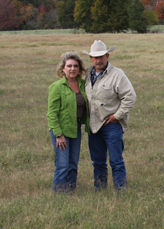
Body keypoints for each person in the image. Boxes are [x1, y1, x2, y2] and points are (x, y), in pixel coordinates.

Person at [82, 40, 136, 192]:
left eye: (101, 56)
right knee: (97, 161)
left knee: (116, 161)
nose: (98, 60)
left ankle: (121, 189)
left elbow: (130, 97)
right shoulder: (87, 74)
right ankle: (100, 190)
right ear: (91, 58)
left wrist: (117, 116)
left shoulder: (117, 75)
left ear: (107, 56)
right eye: (95, 57)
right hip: (94, 125)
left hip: (111, 125)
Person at [47, 52, 89, 193]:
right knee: (63, 165)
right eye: (69, 66)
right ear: (63, 69)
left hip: (76, 128)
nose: (72, 69)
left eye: (75, 66)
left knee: (73, 164)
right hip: (61, 130)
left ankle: (70, 193)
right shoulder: (57, 86)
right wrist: (58, 134)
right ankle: (59, 195)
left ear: (80, 69)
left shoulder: (84, 85)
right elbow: (52, 113)